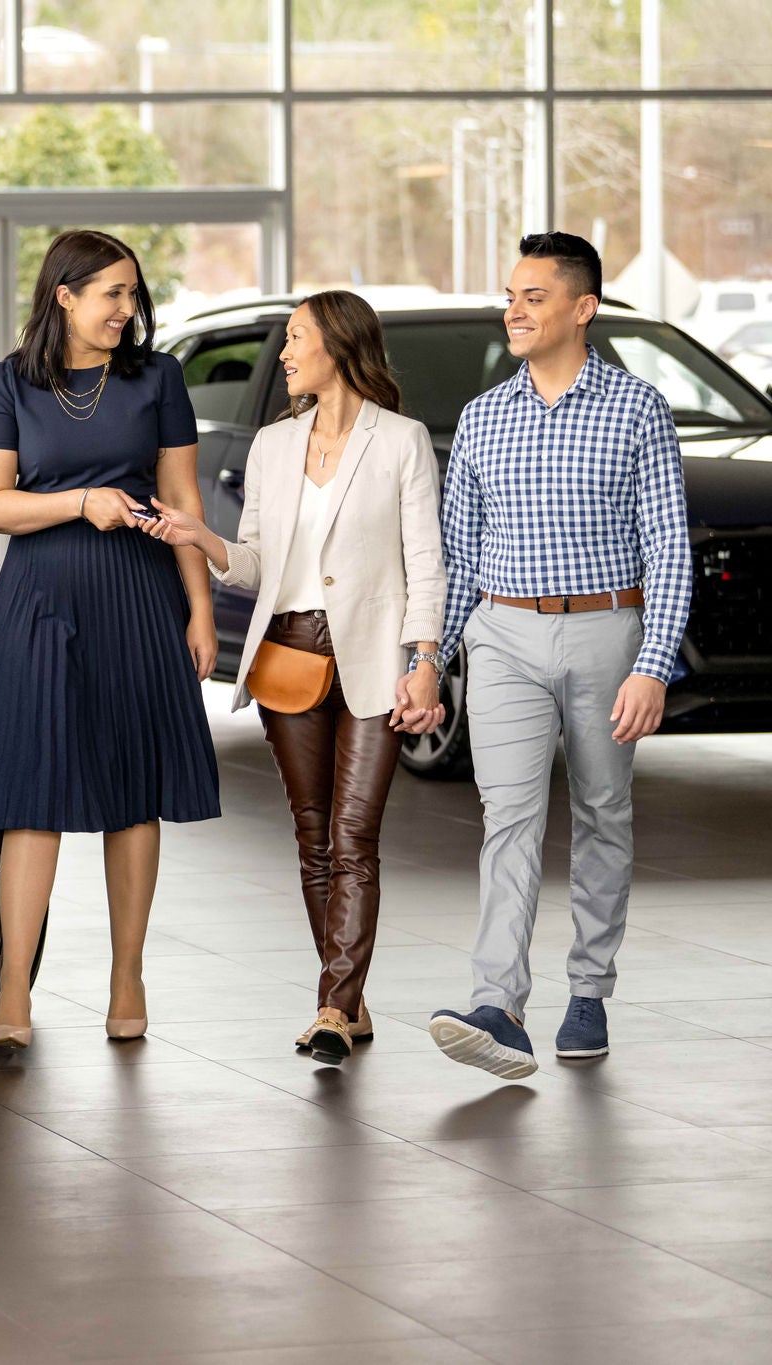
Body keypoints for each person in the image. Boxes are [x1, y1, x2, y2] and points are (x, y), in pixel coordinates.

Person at [144, 291, 447, 1064]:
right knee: (314, 837)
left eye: (295, 337)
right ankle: (344, 1000)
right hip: (289, 653)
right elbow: (255, 562)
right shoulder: (273, 446)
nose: (282, 353)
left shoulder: (401, 440)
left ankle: (334, 1006)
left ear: (338, 344)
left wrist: (426, 660)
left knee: (353, 835)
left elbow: (426, 562)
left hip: (373, 658)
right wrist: (201, 536)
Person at [426, 231, 690, 1080]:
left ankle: (588, 990)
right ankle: (498, 1006)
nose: (514, 310)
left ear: (584, 308)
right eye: (511, 295)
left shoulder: (638, 408)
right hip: (502, 634)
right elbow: (460, 554)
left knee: (603, 812)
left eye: (534, 297)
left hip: (607, 630)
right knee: (508, 819)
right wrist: (429, 658)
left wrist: (653, 662)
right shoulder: (483, 416)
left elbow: (669, 548)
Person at [0, 229, 220, 1049]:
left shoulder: (157, 377)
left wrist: (200, 608)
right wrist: (81, 502)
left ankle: (127, 975)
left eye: (132, 292)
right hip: (40, 597)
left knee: (132, 790)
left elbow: (182, 500)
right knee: (30, 791)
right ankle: (13, 987)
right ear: (65, 295)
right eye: (112, 292)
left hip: (139, 594)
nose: (127, 308)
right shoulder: (8, 383)